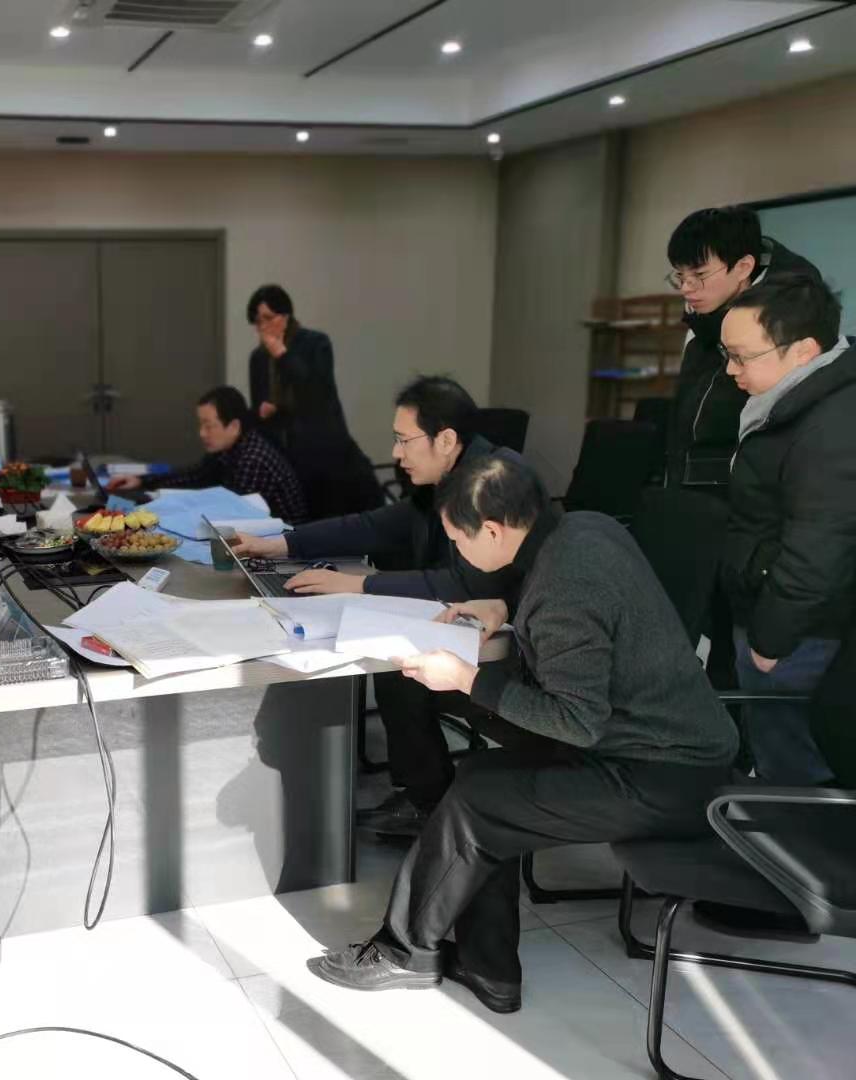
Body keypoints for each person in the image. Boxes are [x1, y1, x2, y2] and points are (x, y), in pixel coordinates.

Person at [312, 456, 737, 1013]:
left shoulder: (565, 589)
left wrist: (466, 678)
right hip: (655, 741)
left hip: (661, 774)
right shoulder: (585, 527)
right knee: (483, 786)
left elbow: (576, 720)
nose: (456, 553)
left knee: (482, 798)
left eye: (458, 540)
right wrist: (503, 605)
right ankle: (487, 968)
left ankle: (406, 952)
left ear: (492, 530)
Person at [232, 376, 518, 835]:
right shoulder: (455, 473)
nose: (397, 453)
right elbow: (378, 525)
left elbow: (465, 582)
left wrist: (358, 585)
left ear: (446, 440)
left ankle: (427, 803)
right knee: (391, 654)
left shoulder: (492, 482)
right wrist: (284, 543)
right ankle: (418, 794)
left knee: (399, 663)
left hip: (517, 648)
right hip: (482, 626)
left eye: (405, 440)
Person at [719, 273, 855, 785]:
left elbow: (819, 549)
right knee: (775, 756)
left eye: (742, 357)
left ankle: (786, 839)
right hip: (770, 610)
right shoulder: (794, 396)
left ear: (803, 351)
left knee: (793, 775)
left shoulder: (831, 426)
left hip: (797, 633)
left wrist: (770, 641)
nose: (730, 370)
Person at [665, 206, 818, 489]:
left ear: (743, 267)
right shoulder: (702, 317)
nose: (686, 287)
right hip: (692, 480)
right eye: (680, 276)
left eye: (699, 274)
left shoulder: (786, 319)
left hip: (745, 486)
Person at [245, 284, 381, 518]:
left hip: (326, 450)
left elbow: (317, 392)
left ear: (285, 315)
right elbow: (258, 406)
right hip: (287, 453)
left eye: (268, 318)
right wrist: (264, 410)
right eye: (258, 321)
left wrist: (281, 353)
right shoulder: (258, 357)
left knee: (336, 515)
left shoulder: (315, 343)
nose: (263, 327)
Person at [106, 386, 308, 523]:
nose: (202, 433)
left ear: (234, 426)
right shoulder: (228, 448)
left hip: (286, 543)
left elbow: (233, 515)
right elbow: (194, 475)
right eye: (201, 425)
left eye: (209, 426)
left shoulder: (253, 459)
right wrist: (142, 481)